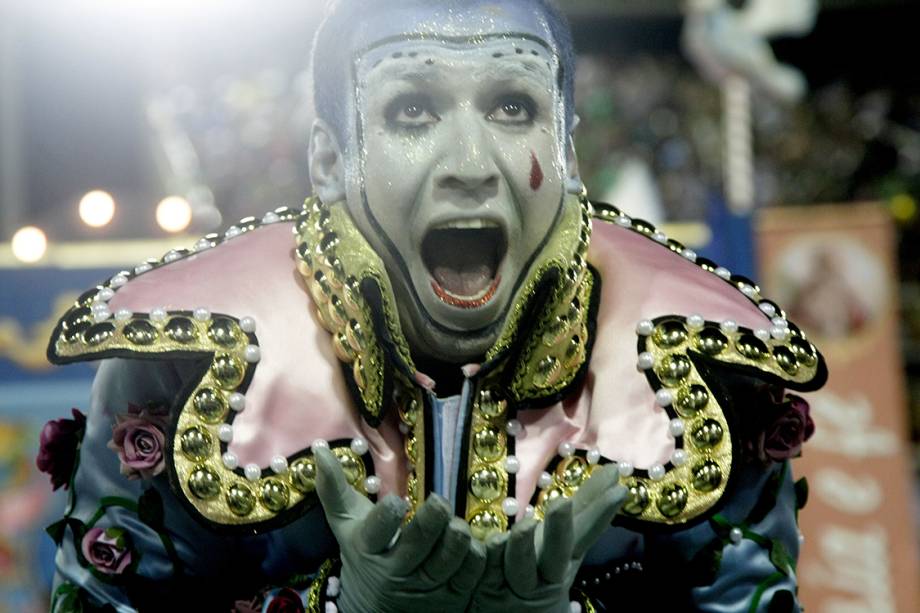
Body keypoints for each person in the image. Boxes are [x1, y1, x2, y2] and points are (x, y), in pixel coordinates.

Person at [39, 1, 826, 611]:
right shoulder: (188, 353)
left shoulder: (701, 359)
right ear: (329, 159)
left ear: (568, 153)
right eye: (412, 110)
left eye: (513, 107)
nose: (471, 164)